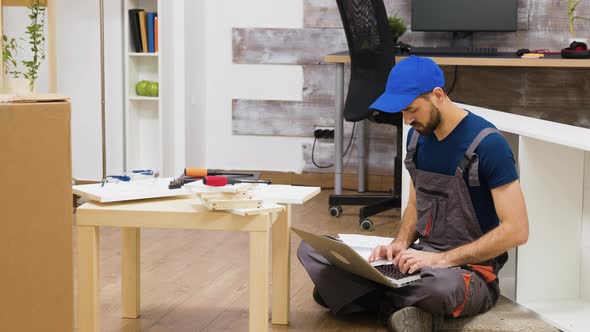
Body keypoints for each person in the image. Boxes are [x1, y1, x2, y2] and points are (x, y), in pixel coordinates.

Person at [296, 55, 529, 332]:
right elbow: (416, 205)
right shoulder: (417, 138)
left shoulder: (489, 145)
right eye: (403, 113)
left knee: (440, 288)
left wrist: (441, 260)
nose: (407, 121)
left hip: (465, 272)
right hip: (417, 261)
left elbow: (517, 231)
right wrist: (400, 244)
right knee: (313, 249)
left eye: (411, 110)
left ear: (438, 95)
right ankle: (399, 307)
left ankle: (358, 298)